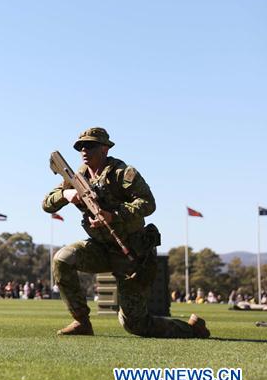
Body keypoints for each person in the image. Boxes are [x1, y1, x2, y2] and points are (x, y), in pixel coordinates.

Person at [43, 127, 209, 338]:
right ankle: (81, 322)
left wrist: (114, 215)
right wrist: (68, 194)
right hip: (101, 248)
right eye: (81, 146)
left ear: (104, 149)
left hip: (131, 251)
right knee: (62, 259)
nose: (84, 150)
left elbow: (148, 203)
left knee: (135, 324)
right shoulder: (78, 177)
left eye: (91, 145)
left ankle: (192, 329)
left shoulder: (123, 173)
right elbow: (47, 204)